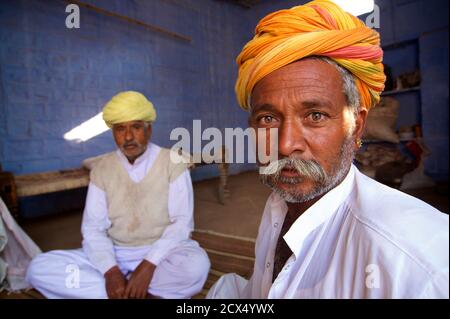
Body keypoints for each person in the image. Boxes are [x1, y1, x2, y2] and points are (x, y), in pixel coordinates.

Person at [207, 0, 449, 298]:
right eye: (268, 118)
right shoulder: (278, 204)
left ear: (357, 125)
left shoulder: (418, 267)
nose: (285, 145)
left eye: (315, 116)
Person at [26, 91, 210, 299]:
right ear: (113, 133)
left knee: (196, 266)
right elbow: (93, 228)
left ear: (149, 130)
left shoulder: (173, 162)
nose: (129, 136)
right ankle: (136, 292)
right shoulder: (103, 168)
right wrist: (111, 272)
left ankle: (123, 292)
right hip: (116, 253)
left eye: (136, 127)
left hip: (163, 253)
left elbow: (182, 223)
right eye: (120, 128)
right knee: (39, 268)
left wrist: (148, 266)